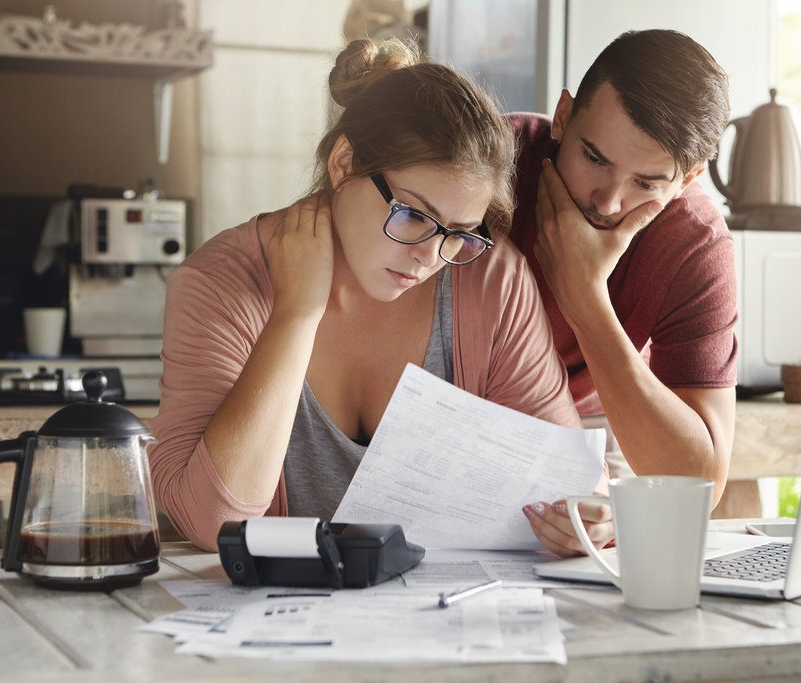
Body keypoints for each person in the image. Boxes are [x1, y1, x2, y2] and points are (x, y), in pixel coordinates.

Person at [150, 38, 611, 556]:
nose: (430, 256)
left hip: (445, 618)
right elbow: (213, 522)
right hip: (273, 627)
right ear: (344, 164)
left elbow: (566, 480)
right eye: (413, 215)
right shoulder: (220, 283)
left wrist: (587, 518)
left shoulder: (491, 279)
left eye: (458, 232)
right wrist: (297, 313)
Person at [513, 30, 737, 549]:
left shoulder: (694, 243)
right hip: (456, 396)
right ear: (564, 116)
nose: (610, 202)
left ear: (688, 178)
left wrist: (585, 298)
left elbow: (700, 484)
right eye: (595, 158)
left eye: (647, 182)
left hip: (596, 414)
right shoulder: (489, 162)